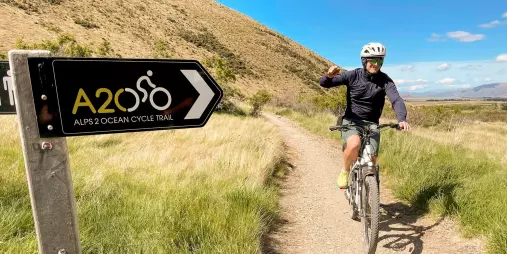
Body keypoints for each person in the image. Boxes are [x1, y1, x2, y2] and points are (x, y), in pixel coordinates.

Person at [319, 42, 410, 189]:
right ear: (364, 61)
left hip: (372, 123)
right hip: (351, 121)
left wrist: (402, 119)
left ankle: (369, 193)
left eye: (379, 61)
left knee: (372, 160)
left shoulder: (385, 80)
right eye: (372, 61)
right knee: (354, 144)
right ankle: (345, 170)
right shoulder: (353, 75)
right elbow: (325, 84)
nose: (375, 64)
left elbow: (396, 99)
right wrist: (328, 76)